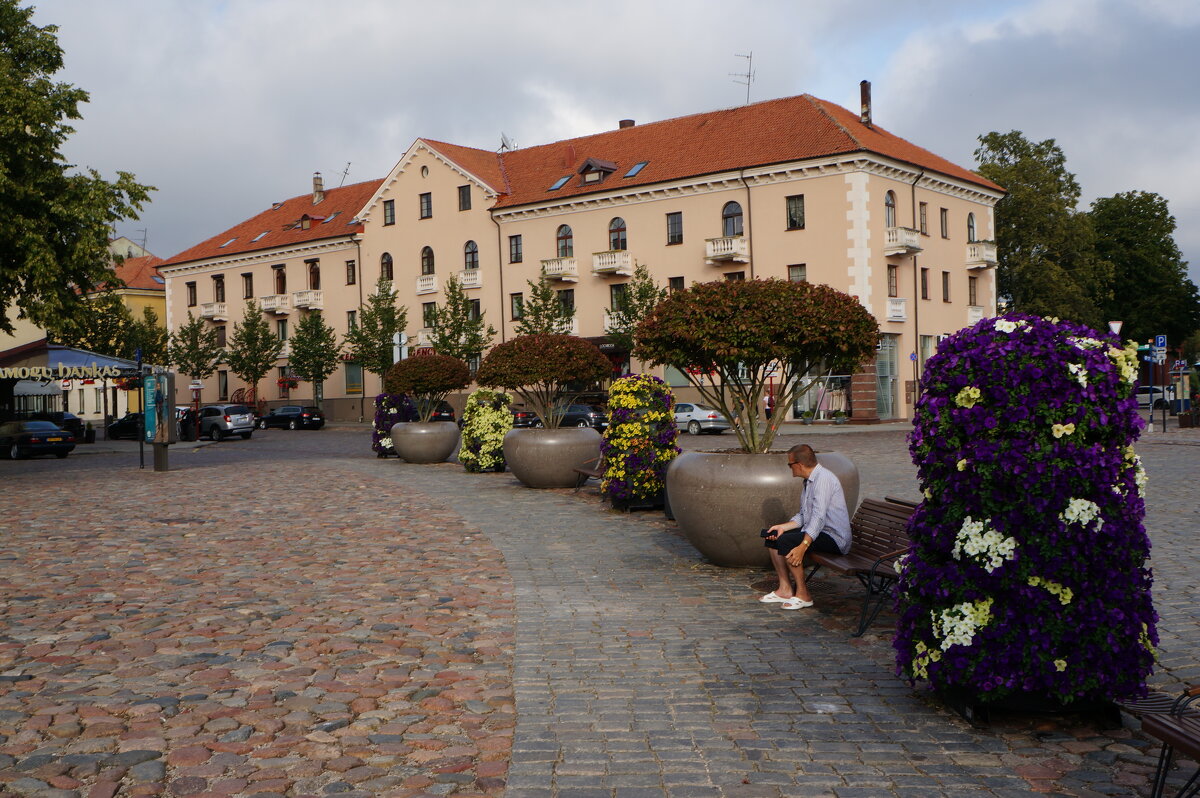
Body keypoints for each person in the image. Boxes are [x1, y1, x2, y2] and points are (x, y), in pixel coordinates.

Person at [759, 443, 851, 610]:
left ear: (799, 465)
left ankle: (803, 595)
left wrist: (803, 545)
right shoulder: (809, 481)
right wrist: (782, 527)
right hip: (820, 533)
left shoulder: (823, 480)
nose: (789, 468)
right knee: (773, 536)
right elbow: (804, 515)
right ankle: (785, 589)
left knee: (787, 542)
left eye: (790, 464)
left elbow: (818, 518)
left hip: (835, 538)